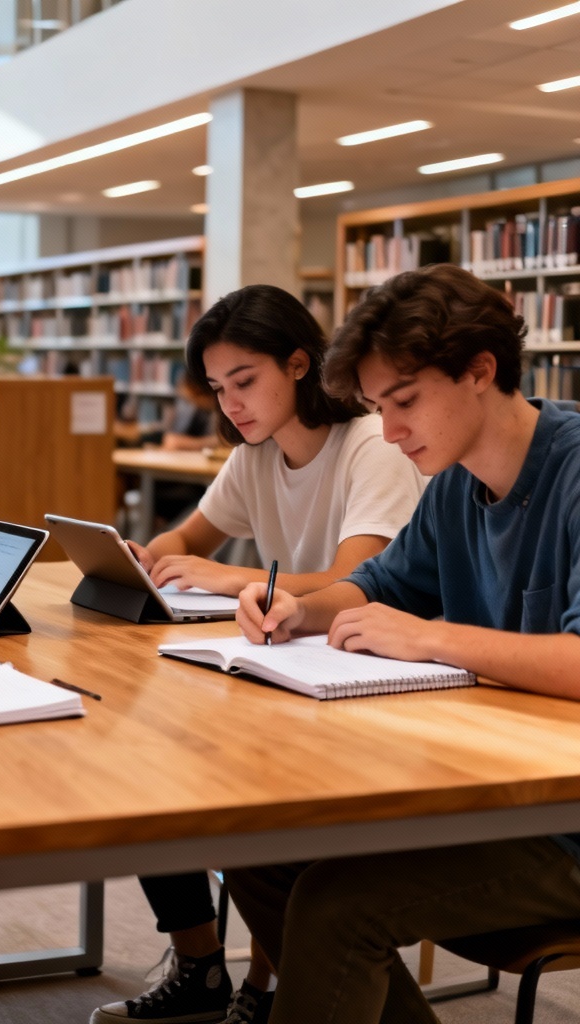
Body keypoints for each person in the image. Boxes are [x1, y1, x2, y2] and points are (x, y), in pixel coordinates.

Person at [225, 262, 580, 1024]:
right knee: (254, 851)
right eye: (379, 407)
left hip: (564, 821)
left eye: (407, 401)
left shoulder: (575, 471)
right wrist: (298, 610)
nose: (389, 431)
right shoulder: (455, 482)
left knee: (336, 904)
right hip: (491, 788)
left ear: (481, 371)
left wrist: (432, 638)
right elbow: (381, 583)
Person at [93, 284, 426, 1024]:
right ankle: (203, 964)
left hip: (366, 679)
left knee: (236, 798)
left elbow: (361, 581)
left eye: (245, 381)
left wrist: (226, 575)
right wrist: (159, 557)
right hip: (289, 662)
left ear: (300, 363)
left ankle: (267, 985)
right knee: (152, 758)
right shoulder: (256, 453)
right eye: (218, 388)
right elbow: (184, 541)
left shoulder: (371, 445)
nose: (231, 403)